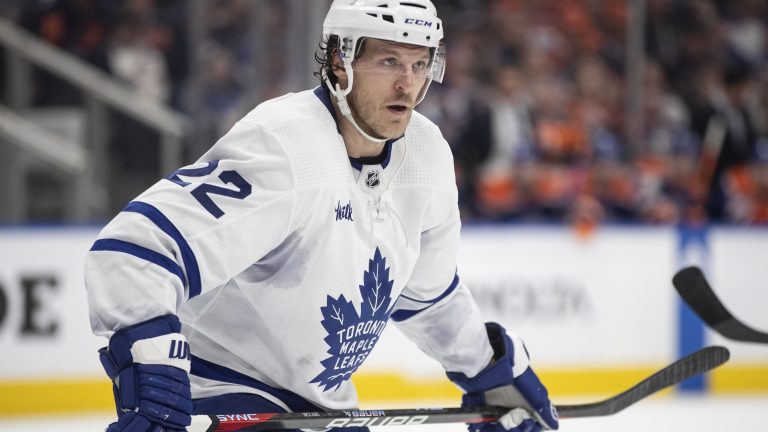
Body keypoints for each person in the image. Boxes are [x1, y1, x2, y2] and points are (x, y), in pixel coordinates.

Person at [85, 1, 559, 432]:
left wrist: (487, 367)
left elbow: (426, 296)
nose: (408, 83)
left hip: (320, 410)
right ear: (340, 61)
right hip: (222, 395)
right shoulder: (286, 146)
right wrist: (155, 370)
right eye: (389, 61)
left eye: (419, 64)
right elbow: (134, 253)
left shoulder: (428, 155)